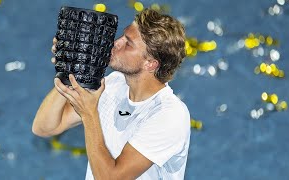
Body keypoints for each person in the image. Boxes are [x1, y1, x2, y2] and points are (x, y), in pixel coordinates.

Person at [32, 8, 190, 180]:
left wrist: (89, 114)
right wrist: (71, 69)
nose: (116, 43)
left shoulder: (170, 115)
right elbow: (44, 127)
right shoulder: (114, 84)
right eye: (122, 35)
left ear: (150, 64)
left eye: (128, 43)